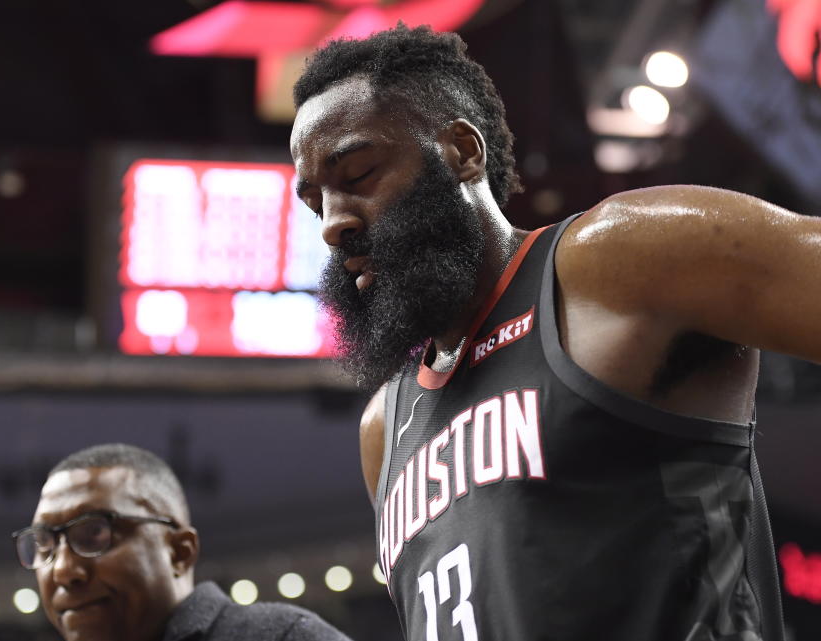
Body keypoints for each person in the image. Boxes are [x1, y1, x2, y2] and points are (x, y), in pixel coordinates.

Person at [289, 23, 821, 641]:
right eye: (316, 203)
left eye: (357, 175)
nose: (332, 225)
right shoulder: (385, 429)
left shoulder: (616, 261)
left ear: (463, 151)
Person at [13, 443, 352, 641]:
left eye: (95, 534)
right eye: (45, 545)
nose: (63, 570)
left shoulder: (281, 637)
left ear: (179, 551)